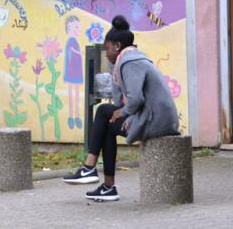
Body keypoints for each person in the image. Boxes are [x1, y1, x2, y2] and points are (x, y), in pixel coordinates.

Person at [61, 15, 180, 202]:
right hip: (150, 116)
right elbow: (119, 101)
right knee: (108, 122)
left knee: (102, 112)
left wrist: (122, 113)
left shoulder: (131, 62)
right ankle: (107, 186)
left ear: (117, 46)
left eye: (107, 49)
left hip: (157, 120)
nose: (106, 53)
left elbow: (135, 100)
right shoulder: (124, 62)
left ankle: (90, 167)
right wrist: (114, 71)